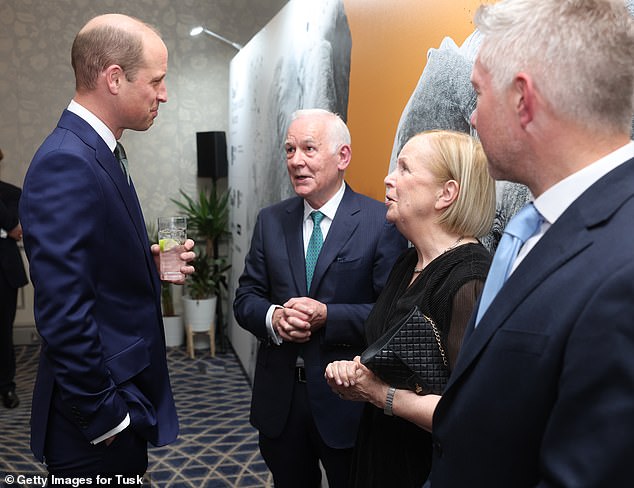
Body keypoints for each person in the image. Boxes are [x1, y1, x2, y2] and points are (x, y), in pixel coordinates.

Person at [416, 1, 632, 486]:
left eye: (477, 93)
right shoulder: (533, 227)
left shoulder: (624, 270)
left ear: (523, 101)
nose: (470, 117)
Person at [20, 14, 195, 478]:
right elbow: (62, 313)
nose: (164, 94)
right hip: (93, 421)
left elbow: (90, 273)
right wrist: (108, 419)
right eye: (156, 81)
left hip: (118, 392)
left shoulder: (97, 150)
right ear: (114, 78)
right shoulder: (67, 162)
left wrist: (145, 266)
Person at [233, 108, 407, 488]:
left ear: (342, 156)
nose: (296, 161)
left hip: (346, 399)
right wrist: (273, 317)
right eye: (290, 149)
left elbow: (391, 315)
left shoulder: (381, 223)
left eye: (309, 149)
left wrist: (328, 315)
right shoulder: (270, 221)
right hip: (280, 399)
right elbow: (246, 297)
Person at [325, 129, 495, 487]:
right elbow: (398, 361)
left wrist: (378, 394)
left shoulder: (469, 279)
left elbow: (467, 413)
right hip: (381, 453)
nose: (388, 178)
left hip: (426, 468)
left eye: (404, 169)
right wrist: (357, 371)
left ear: (446, 194)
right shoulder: (407, 263)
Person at [0, 148, 29, 409]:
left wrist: (6, 229)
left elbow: (12, 225)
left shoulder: (11, 194)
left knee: (3, 333)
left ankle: (6, 387)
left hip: (3, 274)